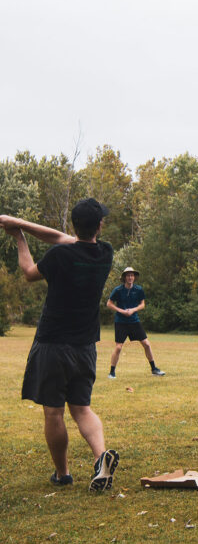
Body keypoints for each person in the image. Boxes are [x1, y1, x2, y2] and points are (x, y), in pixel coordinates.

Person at [0, 199, 121, 491]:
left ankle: (63, 473)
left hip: (53, 343)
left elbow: (29, 272)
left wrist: (19, 237)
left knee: (54, 411)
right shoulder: (104, 253)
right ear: (99, 226)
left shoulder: (59, 256)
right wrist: (19, 222)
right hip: (85, 347)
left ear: (73, 225)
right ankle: (99, 456)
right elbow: (60, 237)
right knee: (82, 408)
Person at [106, 267, 165, 378]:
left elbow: (142, 304)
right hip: (121, 322)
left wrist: (133, 310)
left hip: (134, 322)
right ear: (124, 277)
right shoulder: (118, 290)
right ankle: (112, 372)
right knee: (118, 347)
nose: (130, 277)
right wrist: (121, 311)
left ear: (134, 277)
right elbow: (109, 303)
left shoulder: (138, 289)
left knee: (147, 344)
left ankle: (154, 369)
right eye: (128, 275)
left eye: (132, 275)